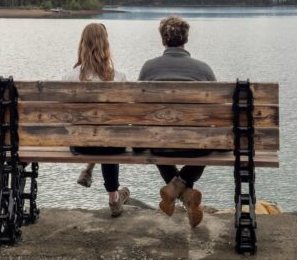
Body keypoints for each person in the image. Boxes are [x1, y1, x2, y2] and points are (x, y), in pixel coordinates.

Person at [137, 15, 216, 228]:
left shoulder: (148, 68)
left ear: (163, 40)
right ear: (186, 40)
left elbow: (140, 110)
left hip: (159, 144)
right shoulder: (204, 70)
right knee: (209, 141)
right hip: (196, 147)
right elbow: (215, 114)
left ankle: (175, 190)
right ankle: (185, 194)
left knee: (157, 138)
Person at [61, 22, 131, 217]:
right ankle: (113, 199)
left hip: (80, 144)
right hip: (112, 145)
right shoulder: (120, 78)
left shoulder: (69, 77)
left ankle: (89, 172)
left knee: (98, 135)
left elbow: (64, 116)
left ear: (82, 44)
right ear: (106, 46)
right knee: (109, 137)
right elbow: (125, 119)